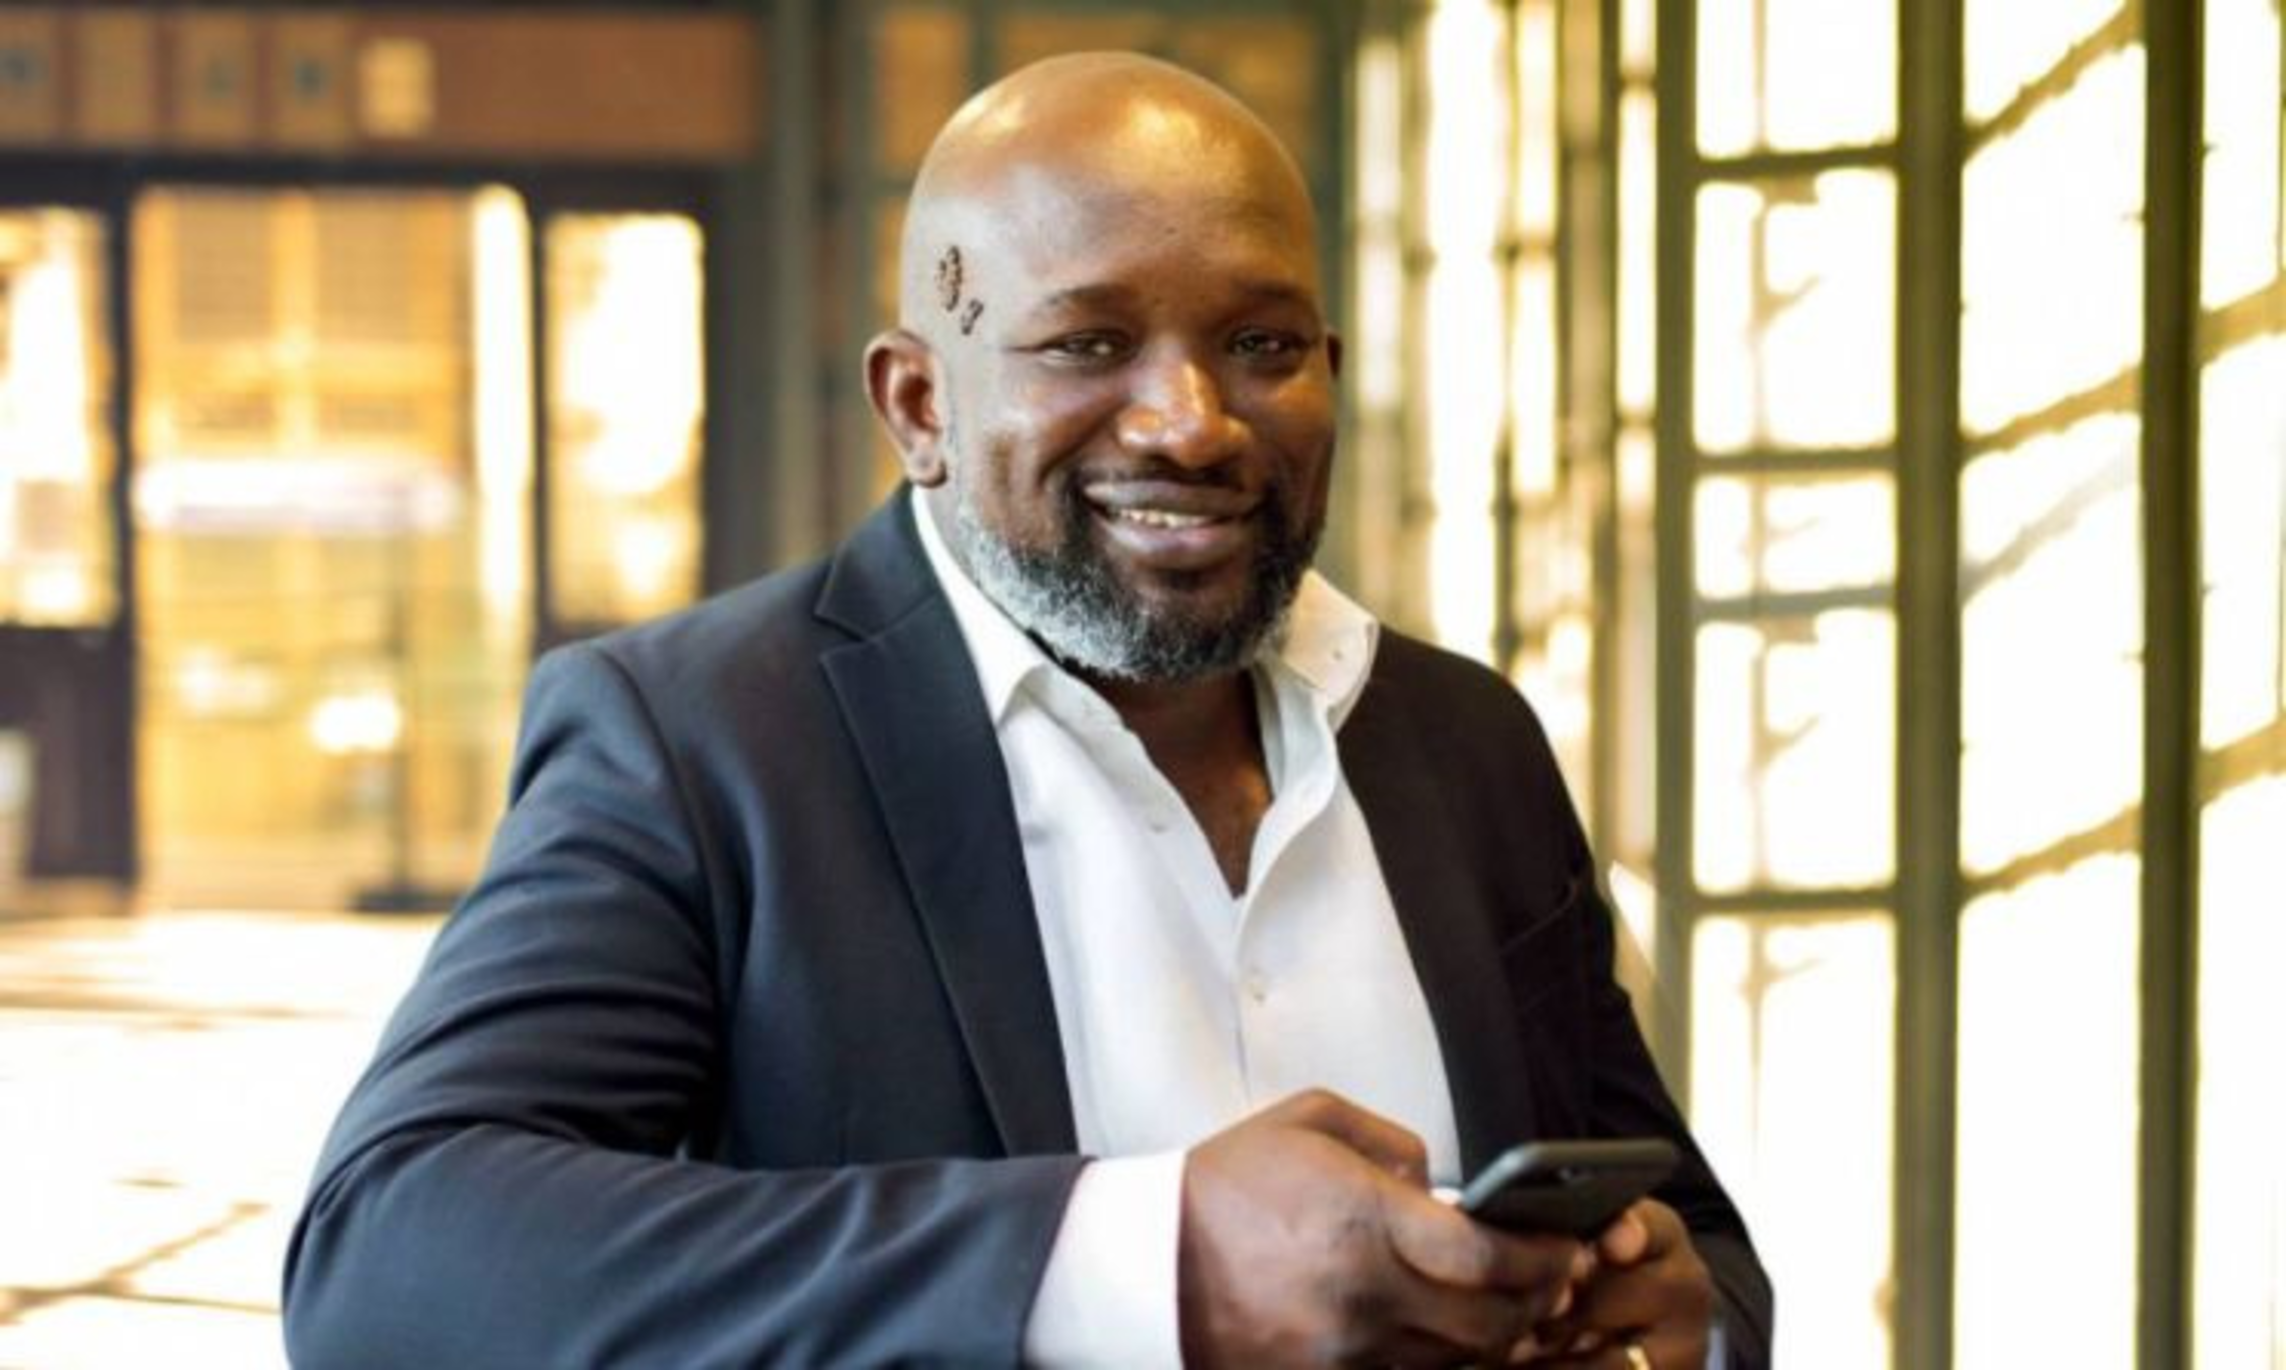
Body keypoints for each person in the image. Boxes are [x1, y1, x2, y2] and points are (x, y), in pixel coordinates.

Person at [282, 52, 1770, 1369]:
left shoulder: (1464, 742)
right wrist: (1146, 1265)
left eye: (1262, 345)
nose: (1191, 423)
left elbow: (1685, 1234)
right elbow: (392, 1249)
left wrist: (1680, 1323)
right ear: (919, 406)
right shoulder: (696, 741)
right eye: (1087, 344)